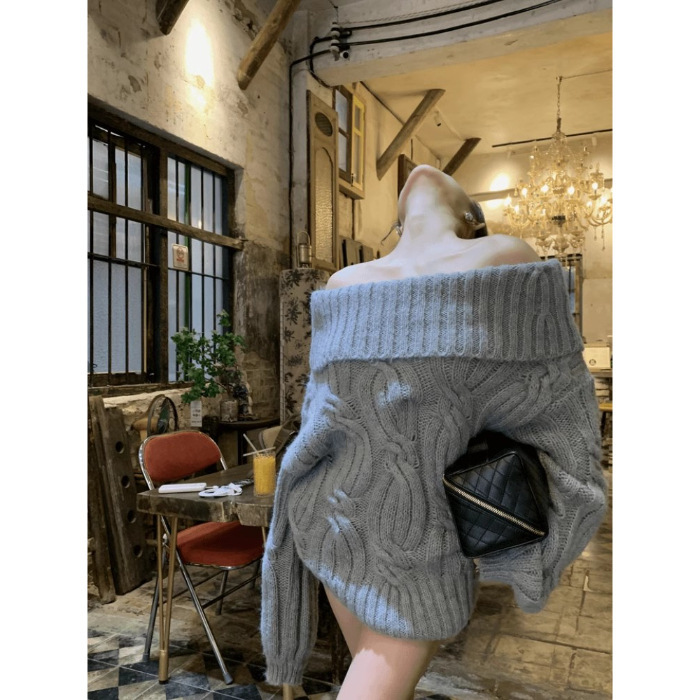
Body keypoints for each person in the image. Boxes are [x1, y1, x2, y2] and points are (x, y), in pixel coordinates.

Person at [260, 164, 607, 699]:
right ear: (396, 223)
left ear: (471, 217)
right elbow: (321, 418)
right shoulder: (342, 283)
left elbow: (560, 411)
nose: (422, 170)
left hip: (421, 545)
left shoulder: (503, 260)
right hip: (331, 526)